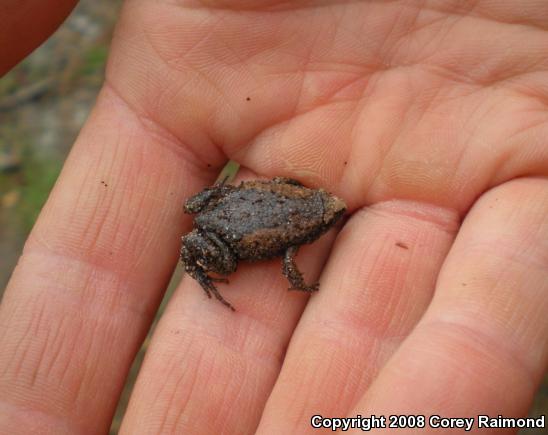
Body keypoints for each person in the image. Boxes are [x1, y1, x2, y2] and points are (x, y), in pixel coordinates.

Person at [1, 1, 547, 433]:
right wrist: (305, 285)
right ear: (312, 225)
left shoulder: (300, 211)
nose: (332, 216)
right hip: (226, 234)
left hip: (229, 208)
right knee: (207, 252)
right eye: (326, 218)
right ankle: (208, 274)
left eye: (329, 215)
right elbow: (288, 272)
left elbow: (275, 193)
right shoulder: (293, 240)